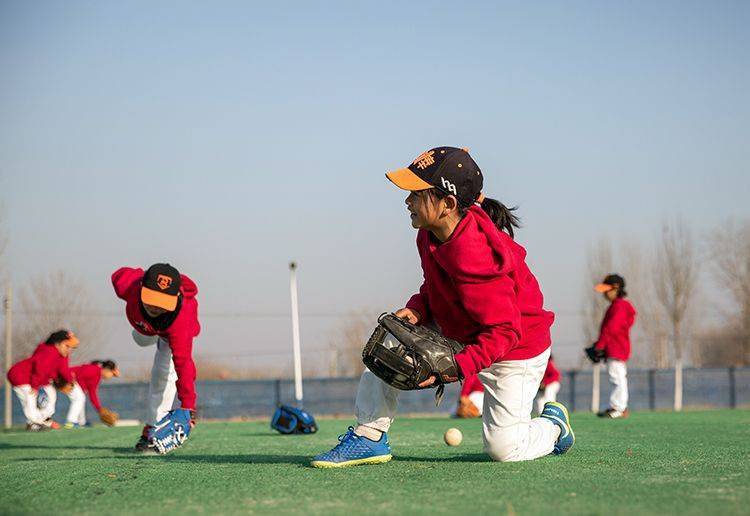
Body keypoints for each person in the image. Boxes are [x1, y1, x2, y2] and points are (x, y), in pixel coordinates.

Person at [311, 147, 574, 467]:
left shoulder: (476, 257)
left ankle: (553, 426)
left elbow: (505, 330)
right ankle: (370, 437)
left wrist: (457, 368)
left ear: (448, 204)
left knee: (504, 449)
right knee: (389, 347)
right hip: (464, 327)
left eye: (416, 193)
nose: (407, 200)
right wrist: (419, 309)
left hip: (516, 349)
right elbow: (435, 288)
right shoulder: (428, 235)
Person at [112, 263, 200, 451]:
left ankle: (153, 428)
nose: (155, 306)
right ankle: (152, 336)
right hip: (143, 330)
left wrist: (188, 406)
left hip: (171, 333)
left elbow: (184, 365)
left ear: (176, 297)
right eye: (152, 298)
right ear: (141, 286)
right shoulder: (129, 285)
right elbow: (117, 275)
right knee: (141, 339)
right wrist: (142, 276)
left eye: (163, 302)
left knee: (163, 373)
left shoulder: (181, 319)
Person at [6, 330, 79, 431]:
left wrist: (69, 380)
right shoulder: (50, 352)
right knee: (30, 399)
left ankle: (43, 420)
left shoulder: (59, 354)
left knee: (51, 395)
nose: (69, 349)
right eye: (67, 346)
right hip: (20, 376)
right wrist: (35, 386)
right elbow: (39, 369)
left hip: (37, 378)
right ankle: (37, 423)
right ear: (57, 344)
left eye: (71, 347)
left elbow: (62, 369)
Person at [593, 274, 637, 419]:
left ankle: (619, 407)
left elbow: (611, 328)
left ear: (616, 288)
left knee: (617, 377)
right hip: (615, 346)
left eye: (607, 290)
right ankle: (618, 406)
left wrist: (599, 346)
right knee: (617, 377)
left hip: (616, 347)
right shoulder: (618, 306)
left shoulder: (619, 306)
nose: (605, 293)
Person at [62, 360, 120, 428]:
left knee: (80, 398)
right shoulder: (94, 369)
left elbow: (93, 394)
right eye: (112, 374)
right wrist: (81, 389)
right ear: (107, 369)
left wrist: (99, 409)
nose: (111, 376)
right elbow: (79, 374)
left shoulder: (97, 377)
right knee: (80, 398)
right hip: (65, 377)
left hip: (70, 380)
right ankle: (70, 422)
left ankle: (82, 422)